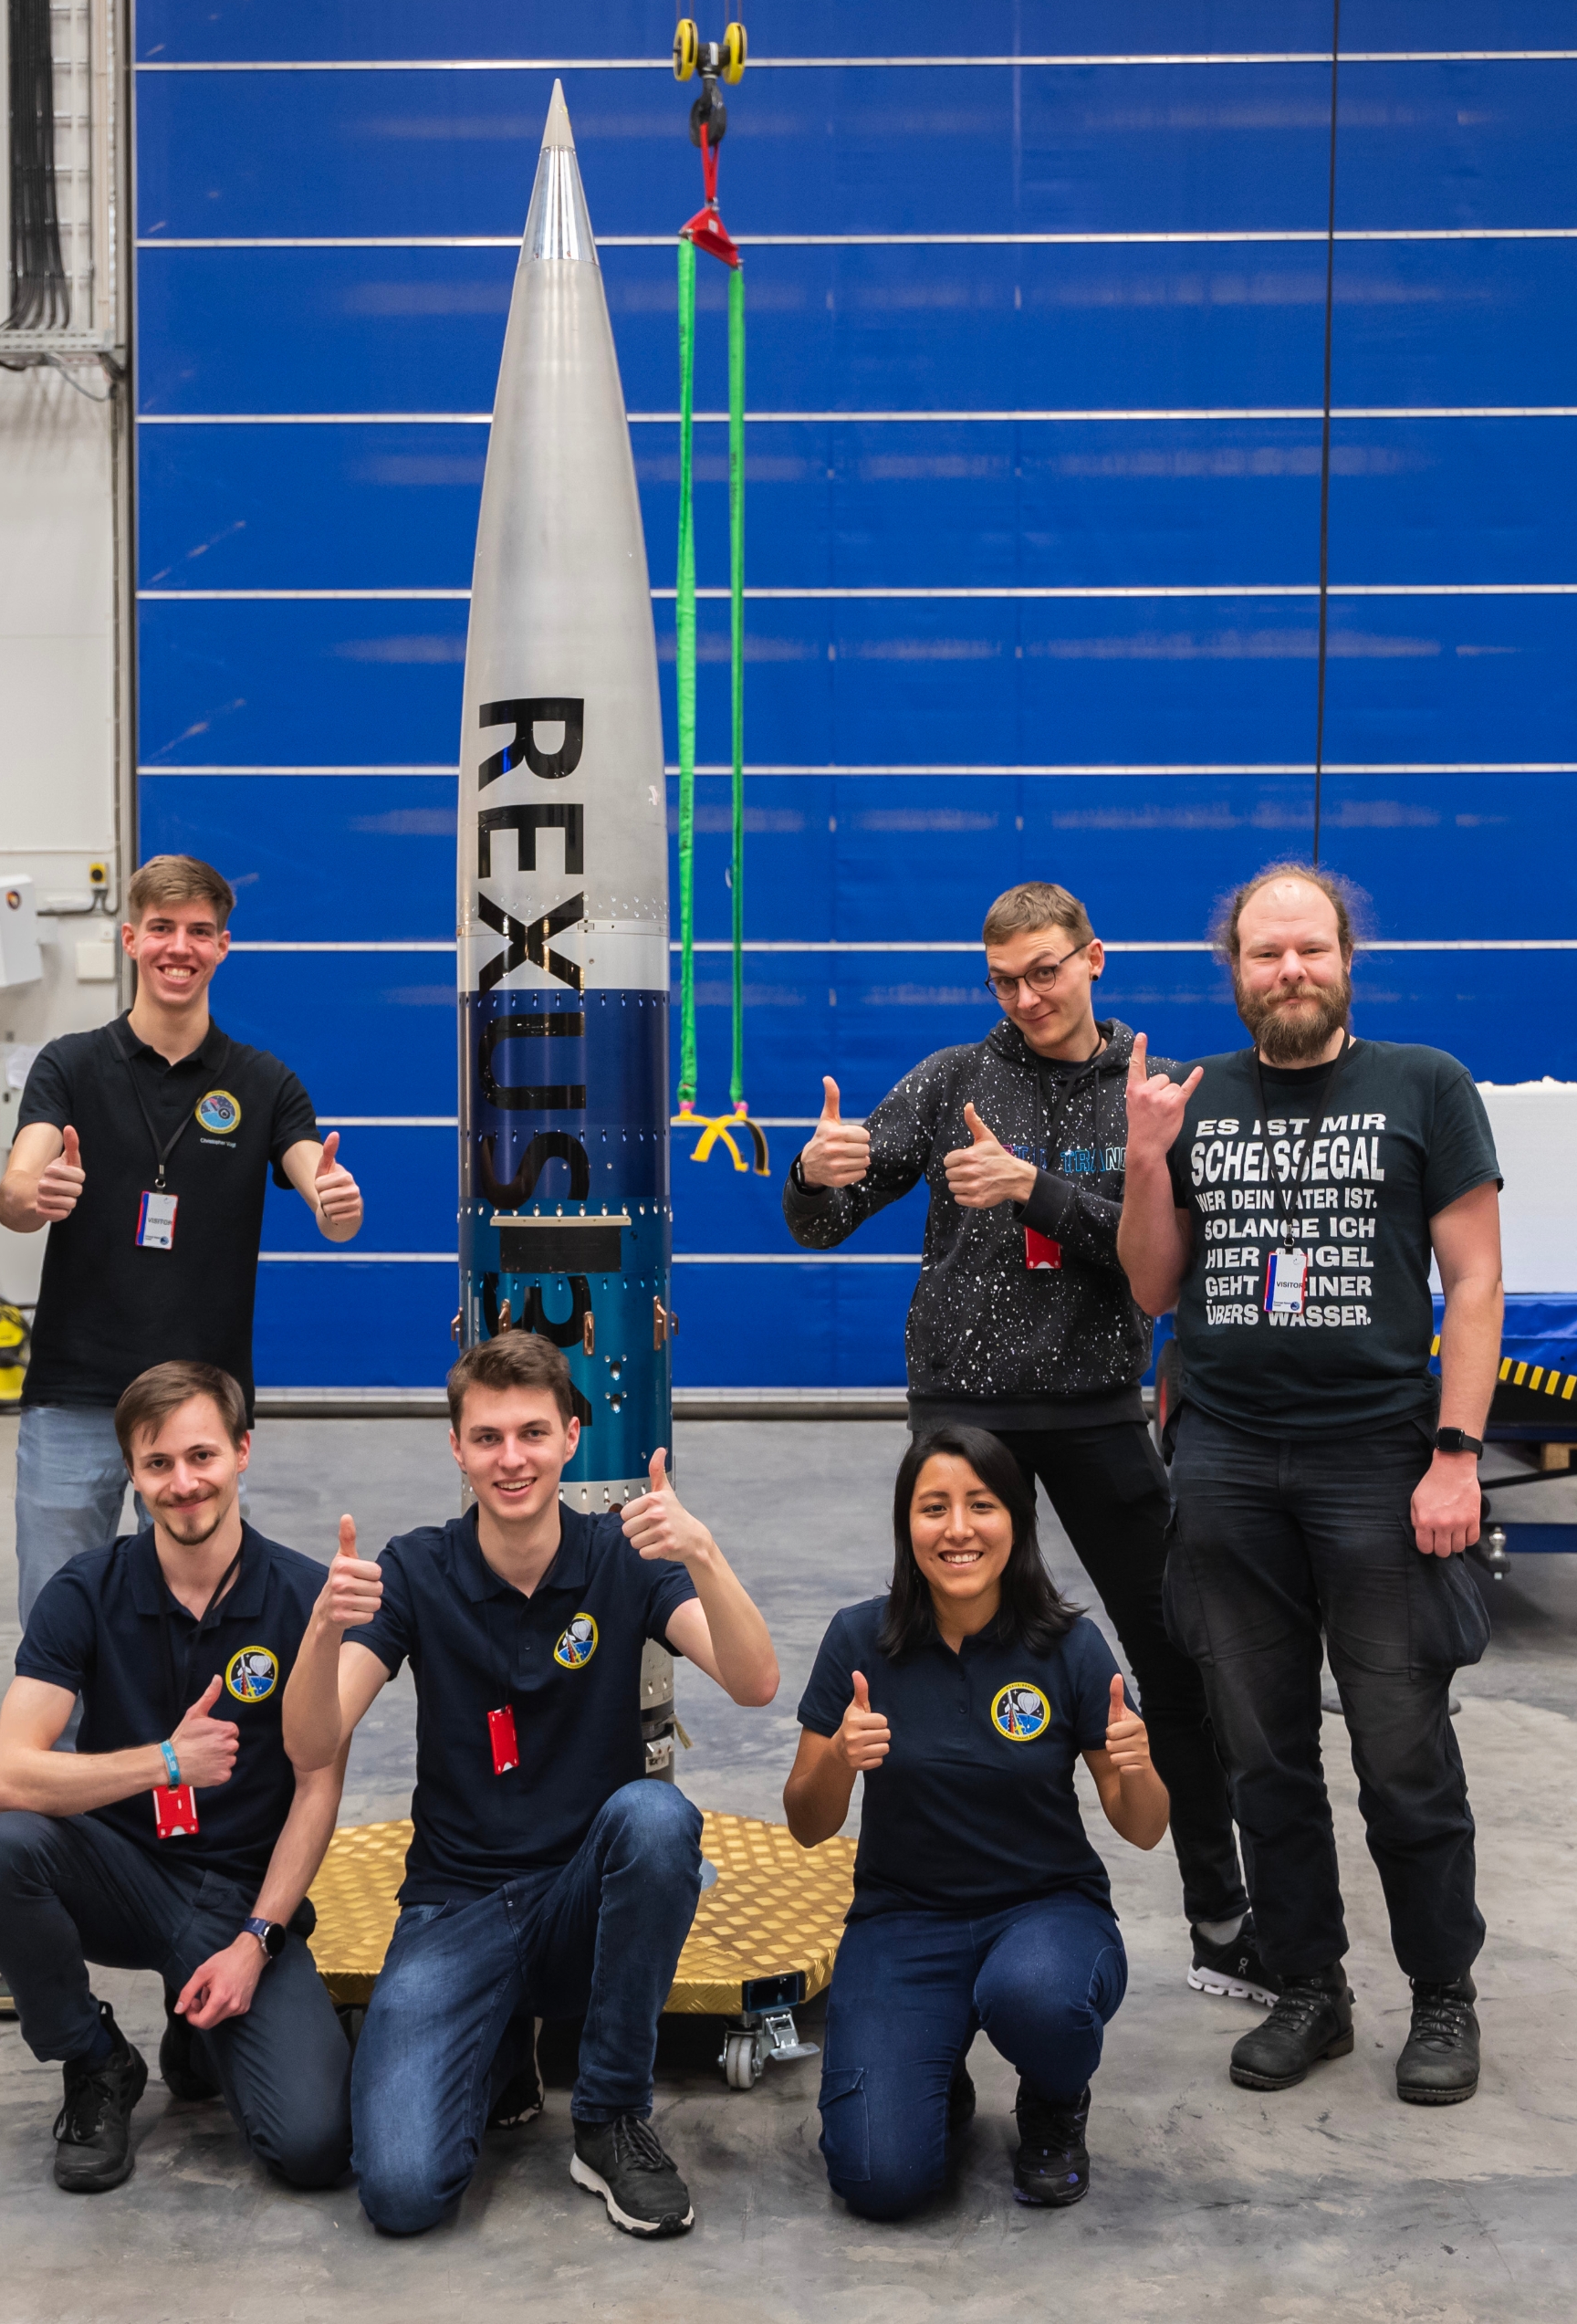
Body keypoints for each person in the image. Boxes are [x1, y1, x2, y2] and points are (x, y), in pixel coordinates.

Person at [785, 880, 1260, 2004]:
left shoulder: (1153, 1093)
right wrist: (816, 1172)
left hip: (1096, 1405)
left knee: (1174, 1656)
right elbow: (824, 1223)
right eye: (1004, 978)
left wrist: (1033, 1190)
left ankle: (1221, 1915)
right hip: (964, 1413)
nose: (1027, 996)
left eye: (1046, 970)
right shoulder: (954, 1079)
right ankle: (931, 1901)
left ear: (1096, 957)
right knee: (940, 1660)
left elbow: (1165, 1258)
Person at [1116, 862, 1503, 2107]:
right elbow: (1153, 1289)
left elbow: (1477, 1279)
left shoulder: (1424, 1085)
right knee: (1261, 1753)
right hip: (1227, 1456)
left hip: (1378, 1457)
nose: (1290, 971)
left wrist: (1455, 1450)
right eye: (1265, 952)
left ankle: (1442, 1992)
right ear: (1231, 969)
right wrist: (1141, 1161)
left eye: (1311, 949)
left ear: (1349, 958)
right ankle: (1310, 1987)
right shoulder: (1197, 1099)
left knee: (1401, 1748)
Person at [279, 1332, 781, 2241]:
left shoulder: (623, 1554)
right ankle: (501, 2038)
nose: (510, 1459)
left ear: (571, 1437)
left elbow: (754, 1682)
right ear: (456, 1448)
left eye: (532, 1433)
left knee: (656, 1819)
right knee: (400, 2193)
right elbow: (312, 1739)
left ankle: (610, 2116)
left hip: (580, 1898)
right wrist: (321, 1634)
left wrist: (704, 1553)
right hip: (454, 1907)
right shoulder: (415, 1568)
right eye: (487, 1437)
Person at [0, 1361, 354, 2193]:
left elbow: (318, 1789)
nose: (183, 1483)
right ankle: (94, 2060)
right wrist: (168, 1762)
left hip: (241, 1894)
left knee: (313, 2148)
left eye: (202, 1455)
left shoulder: (305, 1598)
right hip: (121, 1874)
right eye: (158, 1464)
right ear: (132, 1473)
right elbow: (8, 1777)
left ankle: (198, 2017)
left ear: (244, 1451)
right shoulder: (87, 1591)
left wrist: (255, 1942)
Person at [782, 1426, 1169, 2218]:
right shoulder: (859, 1640)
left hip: (1043, 1913)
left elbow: (1144, 1828)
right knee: (878, 2180)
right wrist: (839, 1761)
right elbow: (808, 1822)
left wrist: (1137, 1765)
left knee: (1033, 1994)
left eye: (980, 1505)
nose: (958, 1529)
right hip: (903, 1922)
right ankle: (933, 2072)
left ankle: (1054, 2102)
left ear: (1017, 1521)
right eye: (934, 1508)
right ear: (906, 1525)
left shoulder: (1070, 1646)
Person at [0, 853, 362, 1623]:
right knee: (54, 1620)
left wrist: (335, 1200)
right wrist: (38, 1192)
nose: (179, 947)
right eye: (161, 928)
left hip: (203, 1408)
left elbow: (328, 1202)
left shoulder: (264, 1082)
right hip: (75, 1398)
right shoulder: (69, 1066)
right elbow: (14, 1193)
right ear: (130, 938)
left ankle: (175, 1749)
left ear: (222, 948)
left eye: (200, 931)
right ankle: (57, 1751)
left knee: (199, 1618)